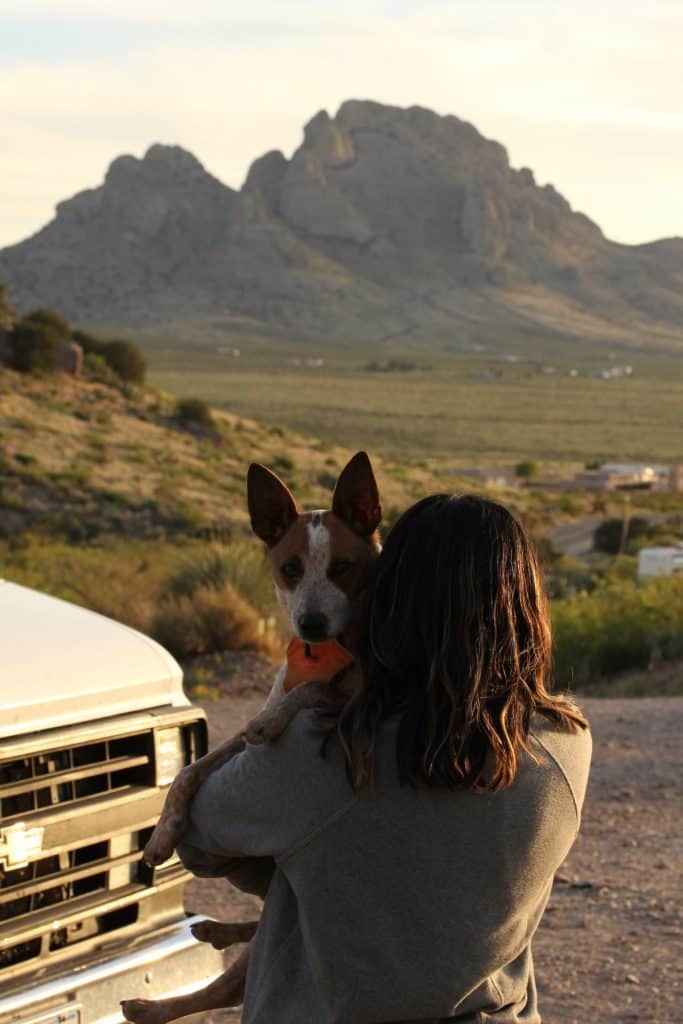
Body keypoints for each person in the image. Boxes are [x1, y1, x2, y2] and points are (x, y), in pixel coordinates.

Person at [177, 494, 592, 1023]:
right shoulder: (565, 745)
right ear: (527, 604)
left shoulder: (328, 745)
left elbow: (198, 834)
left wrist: (314, 876)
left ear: (390, 595)